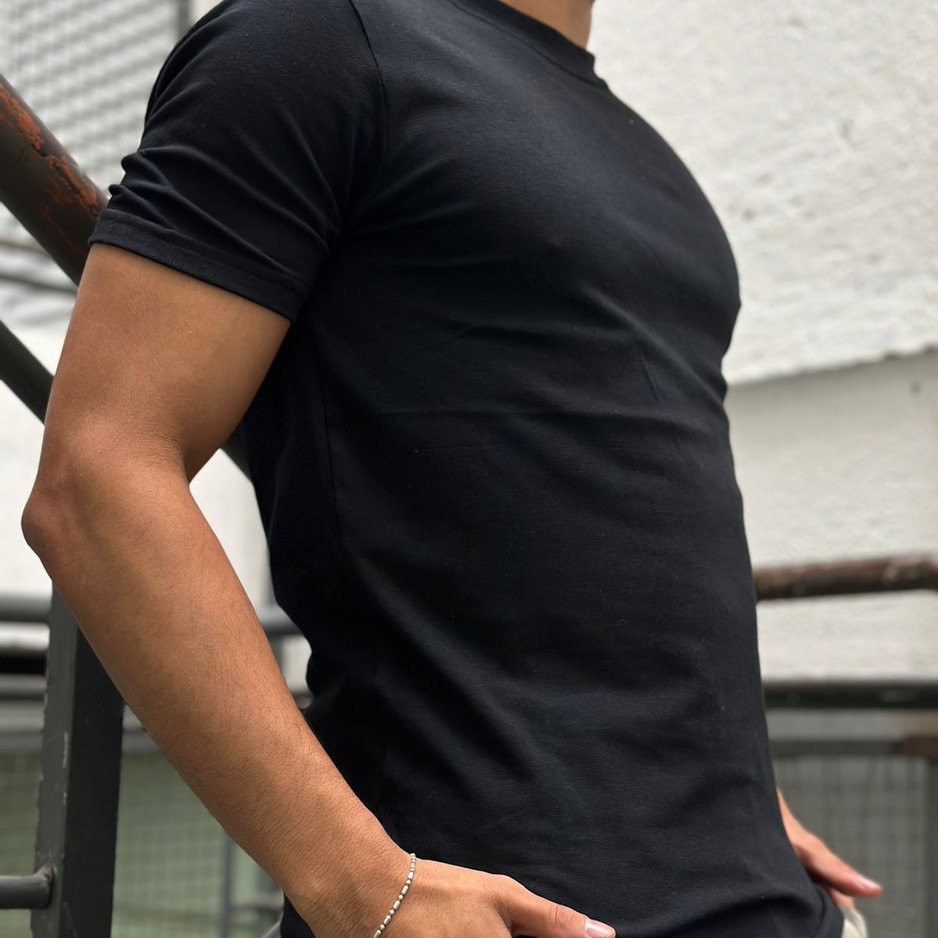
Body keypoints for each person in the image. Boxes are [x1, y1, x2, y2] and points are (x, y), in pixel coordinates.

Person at [22, 1, 881, 936]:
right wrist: (362, 884)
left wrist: (741, 798)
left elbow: (631, 519)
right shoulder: (315, 40)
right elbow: (99, 475)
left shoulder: (646, 154)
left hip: (781, 908)